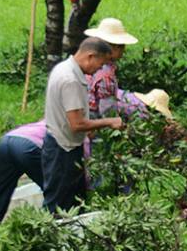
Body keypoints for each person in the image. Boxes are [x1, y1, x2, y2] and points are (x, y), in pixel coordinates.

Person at [0, 87, 169, 224]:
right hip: (33, 148)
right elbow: (83, 170)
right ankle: (48, 233)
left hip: (10, 140)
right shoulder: (137, 112)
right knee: (61, 194)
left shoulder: (106, 101)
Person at [39, 37, 124, 214]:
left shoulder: (63, 68)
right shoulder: (71, 80)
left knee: (76, 201)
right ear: (90, 56)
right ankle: (51, 239)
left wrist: (90, 127)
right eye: (100, 65)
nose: (98, 70)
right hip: (62, 149)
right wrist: (109, 121)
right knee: (59, 203)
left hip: (63, 143)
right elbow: (77, 124)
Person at [82, 17, 142, 119]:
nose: (124, 50)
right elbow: (107, 110)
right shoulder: (106, 75)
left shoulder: (88, 62)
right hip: (90, 118)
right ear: (113, 48)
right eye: (122, 46)